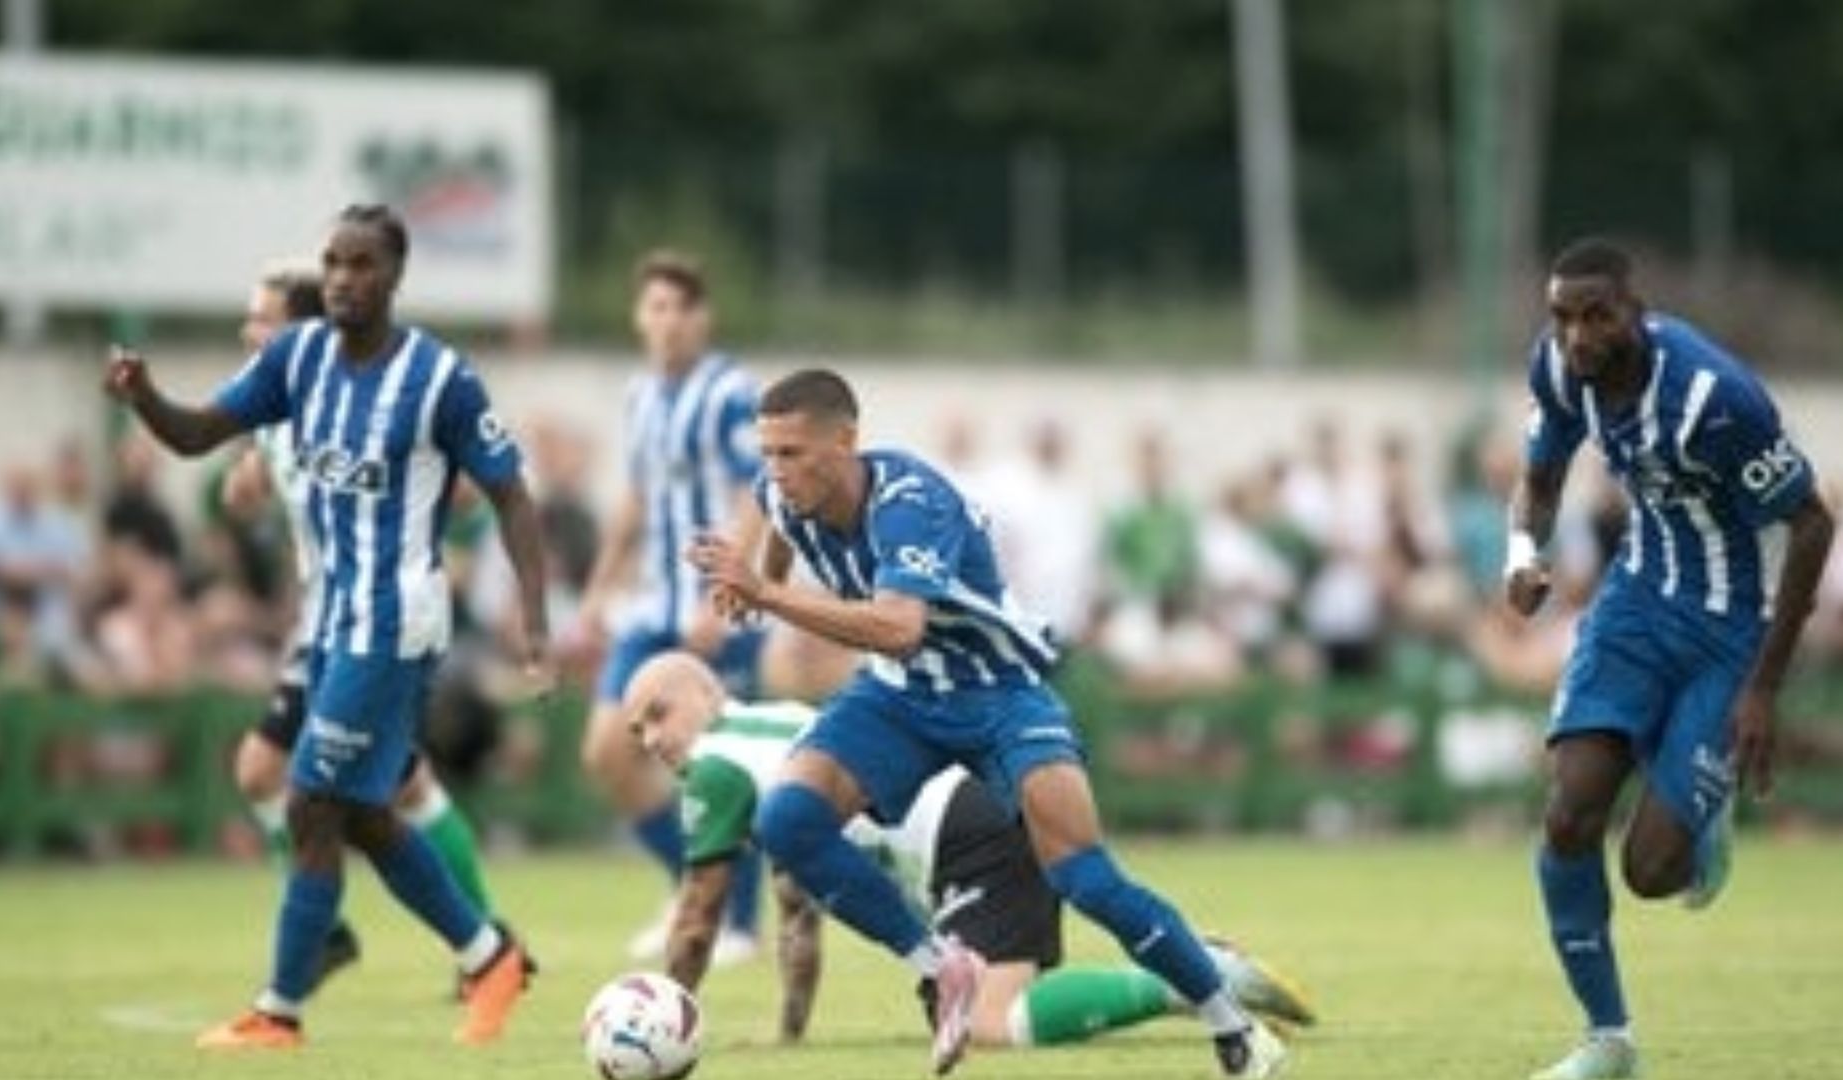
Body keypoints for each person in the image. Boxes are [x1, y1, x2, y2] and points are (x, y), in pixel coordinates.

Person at [686, 368, 1291, 1078]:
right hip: (899, 698)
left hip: (999, 694)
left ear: (846, 441)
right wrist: (755, 586)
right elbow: (782, 543)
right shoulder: (783, 496)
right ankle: (942, 967)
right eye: (768, 453)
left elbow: (898, 626)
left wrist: (768, 592)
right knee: (788, 821)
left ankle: (1233, 1025)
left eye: (792, 453)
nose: (776, 472)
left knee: (1085, 878)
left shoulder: (911, 502)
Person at [103, 204, 550, 1050]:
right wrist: (144, 396)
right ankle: (488, 955)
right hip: (333, 622)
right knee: (359, 809)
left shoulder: (439, 377)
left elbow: (512, 495)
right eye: (334, 262)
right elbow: (200, 434)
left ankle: (281, 1010)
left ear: (395, 276)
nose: (345, 277)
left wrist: (533, 622)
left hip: (395, 621)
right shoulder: (297, 356)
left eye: (363, 264)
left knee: (310, 799)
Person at [618, 650, 1317, 1049]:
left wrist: (665, 1021)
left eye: (657, 714)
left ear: (706, 692)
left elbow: (696, 917)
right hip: (972, 810)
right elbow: (799, 916)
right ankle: (1196, 970)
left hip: (963, 835)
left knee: (988, 1023)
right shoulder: (774, 723)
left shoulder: (714, 769)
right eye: (636, 733)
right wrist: (790, 1038)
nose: (651, 740)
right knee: (978, 1008)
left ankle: (1192, 976)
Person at [1505, 239, 1835, 1080]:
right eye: (1562, 316)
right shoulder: (1559, 368)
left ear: (1634, 313)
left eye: (1596, 315)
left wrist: (1765, 685)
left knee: (1651, 872)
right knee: (1568, 813)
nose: (1577, 335)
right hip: (1636, 605)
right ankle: (1607, 1040)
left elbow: (1813, 525)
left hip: (1732, 631)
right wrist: (1519, 553)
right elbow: (1539, 481)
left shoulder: (1714, 397)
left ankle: (1701, 821)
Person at [218, 258, 504, 994]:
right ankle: (445, 945)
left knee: (384, 794)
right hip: (325, 628)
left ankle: (485, 944)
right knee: (276, 774)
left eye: (261, 317)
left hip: (374, 627)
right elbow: (244, 488)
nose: (248, 330)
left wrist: (442, 545)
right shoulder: (276, 408)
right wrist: (248, 482)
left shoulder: (359, 398)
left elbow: (469, 487)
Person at [577, 249, 769, 965]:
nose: (663, 322)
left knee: (717, 764)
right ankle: (692, 889)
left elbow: (760, 493)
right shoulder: (640, 395)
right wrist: (600, 588)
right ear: (639, 317)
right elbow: (636, 495)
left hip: (713, 609)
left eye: (676, 308)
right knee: (608, 751)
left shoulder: (729, 392)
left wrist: (725, 596)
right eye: (652, 307)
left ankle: (738, 924)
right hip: (655, 605)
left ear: (700, 317)